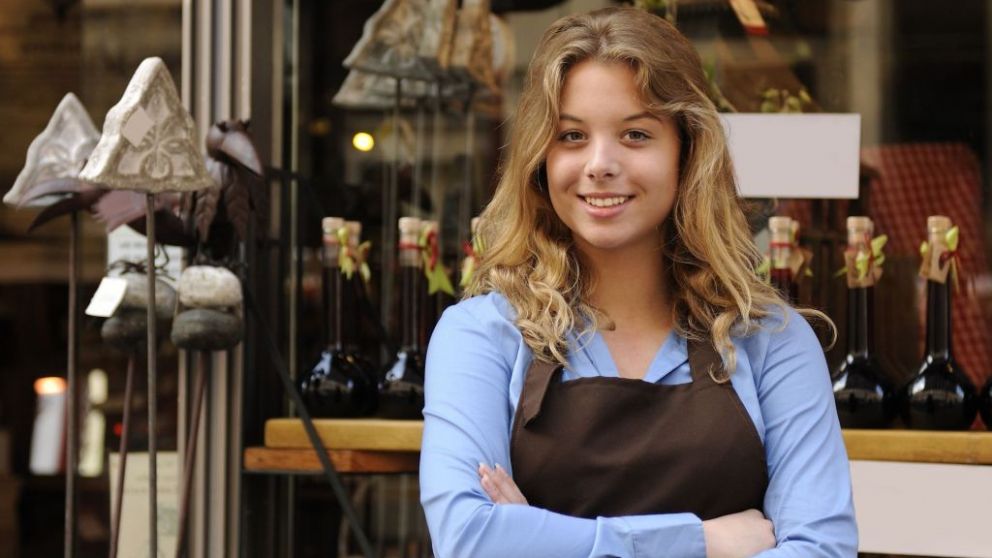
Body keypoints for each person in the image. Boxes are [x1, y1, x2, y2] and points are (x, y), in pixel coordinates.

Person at [419, 6, 857, 558]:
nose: (600, 164)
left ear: (687, 152)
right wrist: (703, 540)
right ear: (539, 160)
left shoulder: (771, 341)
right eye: (572, 135)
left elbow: (822, 550)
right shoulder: (481, 336)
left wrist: (539, 535)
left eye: (635, 134)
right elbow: (470, 540)